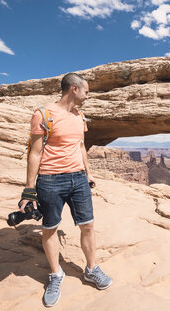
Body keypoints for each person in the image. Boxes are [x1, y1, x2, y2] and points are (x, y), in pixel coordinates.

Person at [19, 73, 112, 307]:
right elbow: (35, 153)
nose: (87, 96)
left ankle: (91, 269)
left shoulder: (79, 116)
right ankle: (56, 274)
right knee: (50, 229)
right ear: (74, 89)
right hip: (50, 180)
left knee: (88, 225)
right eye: (86, 91)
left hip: (78, 179)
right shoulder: (43, 115)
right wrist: (29, 189)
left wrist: (88, 172)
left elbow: (80, 146)